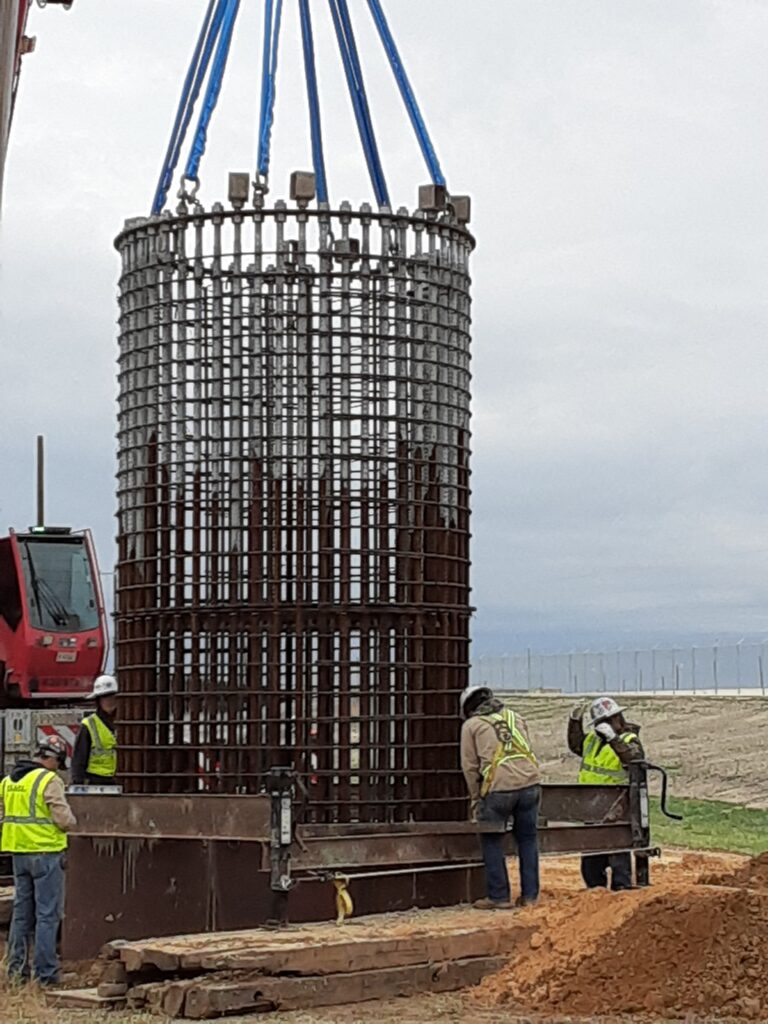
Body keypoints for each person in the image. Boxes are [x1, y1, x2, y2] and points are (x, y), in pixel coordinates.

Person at [0, 734, 76, 986]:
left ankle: (16, 970)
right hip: (45, 853)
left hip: (18, 854)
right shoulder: (48, 780)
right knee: (47, 915)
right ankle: (46, 975)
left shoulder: (9, 781)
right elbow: (64, 820)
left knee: (21, 915)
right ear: (52, 759)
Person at [460, 684, 541, 910]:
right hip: (531, 785)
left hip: (499, 789)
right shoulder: (515, 717)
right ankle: (531, 896)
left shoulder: (472, 725)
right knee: (527, 839)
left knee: (491, 840)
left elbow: (469, 766)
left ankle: (499, 897)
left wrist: (475, 798)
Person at [568, 695, 645, 891]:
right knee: (592, 855)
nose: (604, 725)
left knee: (618, 852)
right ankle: (595, 889)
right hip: (590, 806)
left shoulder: (629, 739)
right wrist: (574, 722)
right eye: (601, 722)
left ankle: (621, 889)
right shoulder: (593, 740)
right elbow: (577, 745)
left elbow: (633, 759)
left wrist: (613, 740)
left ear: (618, 718)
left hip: (616, 808)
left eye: (608, 720)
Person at [71, 674, 118, 786]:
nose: (109, 701)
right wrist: (78, 783)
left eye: (112, 697)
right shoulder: (89, 724)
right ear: (98, 700)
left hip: (121, 778)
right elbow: (79, 758)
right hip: (96, 780)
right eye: (104, 698)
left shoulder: (128, 721)